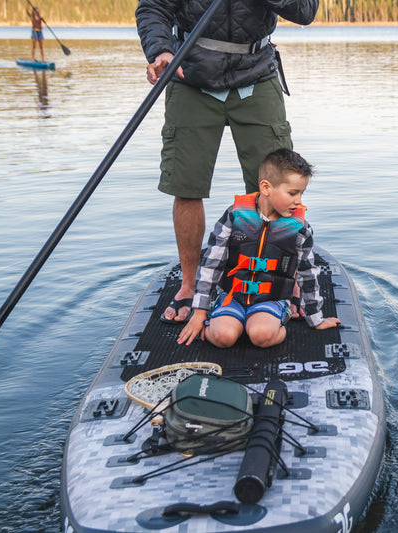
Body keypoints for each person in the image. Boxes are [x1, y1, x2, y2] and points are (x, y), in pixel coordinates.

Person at [135, 0, 319, 324]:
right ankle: (190, 286)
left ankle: (280, 283)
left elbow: (305, 11)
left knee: (275, 189)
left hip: (257, 73)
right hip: (190, 74)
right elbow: (153, 6)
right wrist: (160, 50)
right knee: (186, 184)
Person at [177, 149, 340, 348]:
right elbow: (211, 263)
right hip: (232, 297)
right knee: (223, 338)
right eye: (292, 193)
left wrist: (316, 319)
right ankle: (224, 319)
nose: (299, 201)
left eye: (301, 193)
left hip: (271, 299)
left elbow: (307, 274)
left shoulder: (300, 228)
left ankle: (277, 317)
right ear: (265, 187)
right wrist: (199, 313)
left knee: (260, 335)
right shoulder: (234, 215)